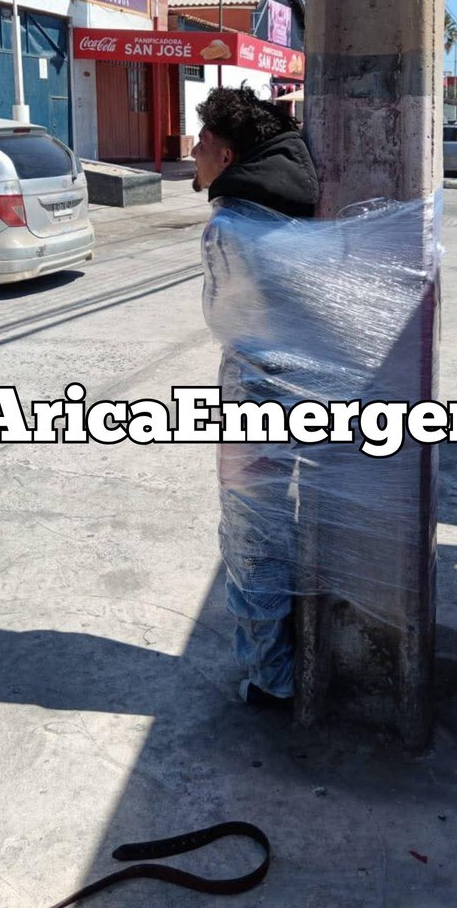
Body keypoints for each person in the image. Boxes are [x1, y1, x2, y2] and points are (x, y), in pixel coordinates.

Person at [191, 87, 318, 708]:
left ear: (229, 153)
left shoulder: (232, 224)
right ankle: (287, 663)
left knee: (251, 538)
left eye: (203, 144)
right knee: (280, 530)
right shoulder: (298, 206)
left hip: (254, 400)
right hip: (304, 388)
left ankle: (272, 678)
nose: (193, 151)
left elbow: (227, 318)